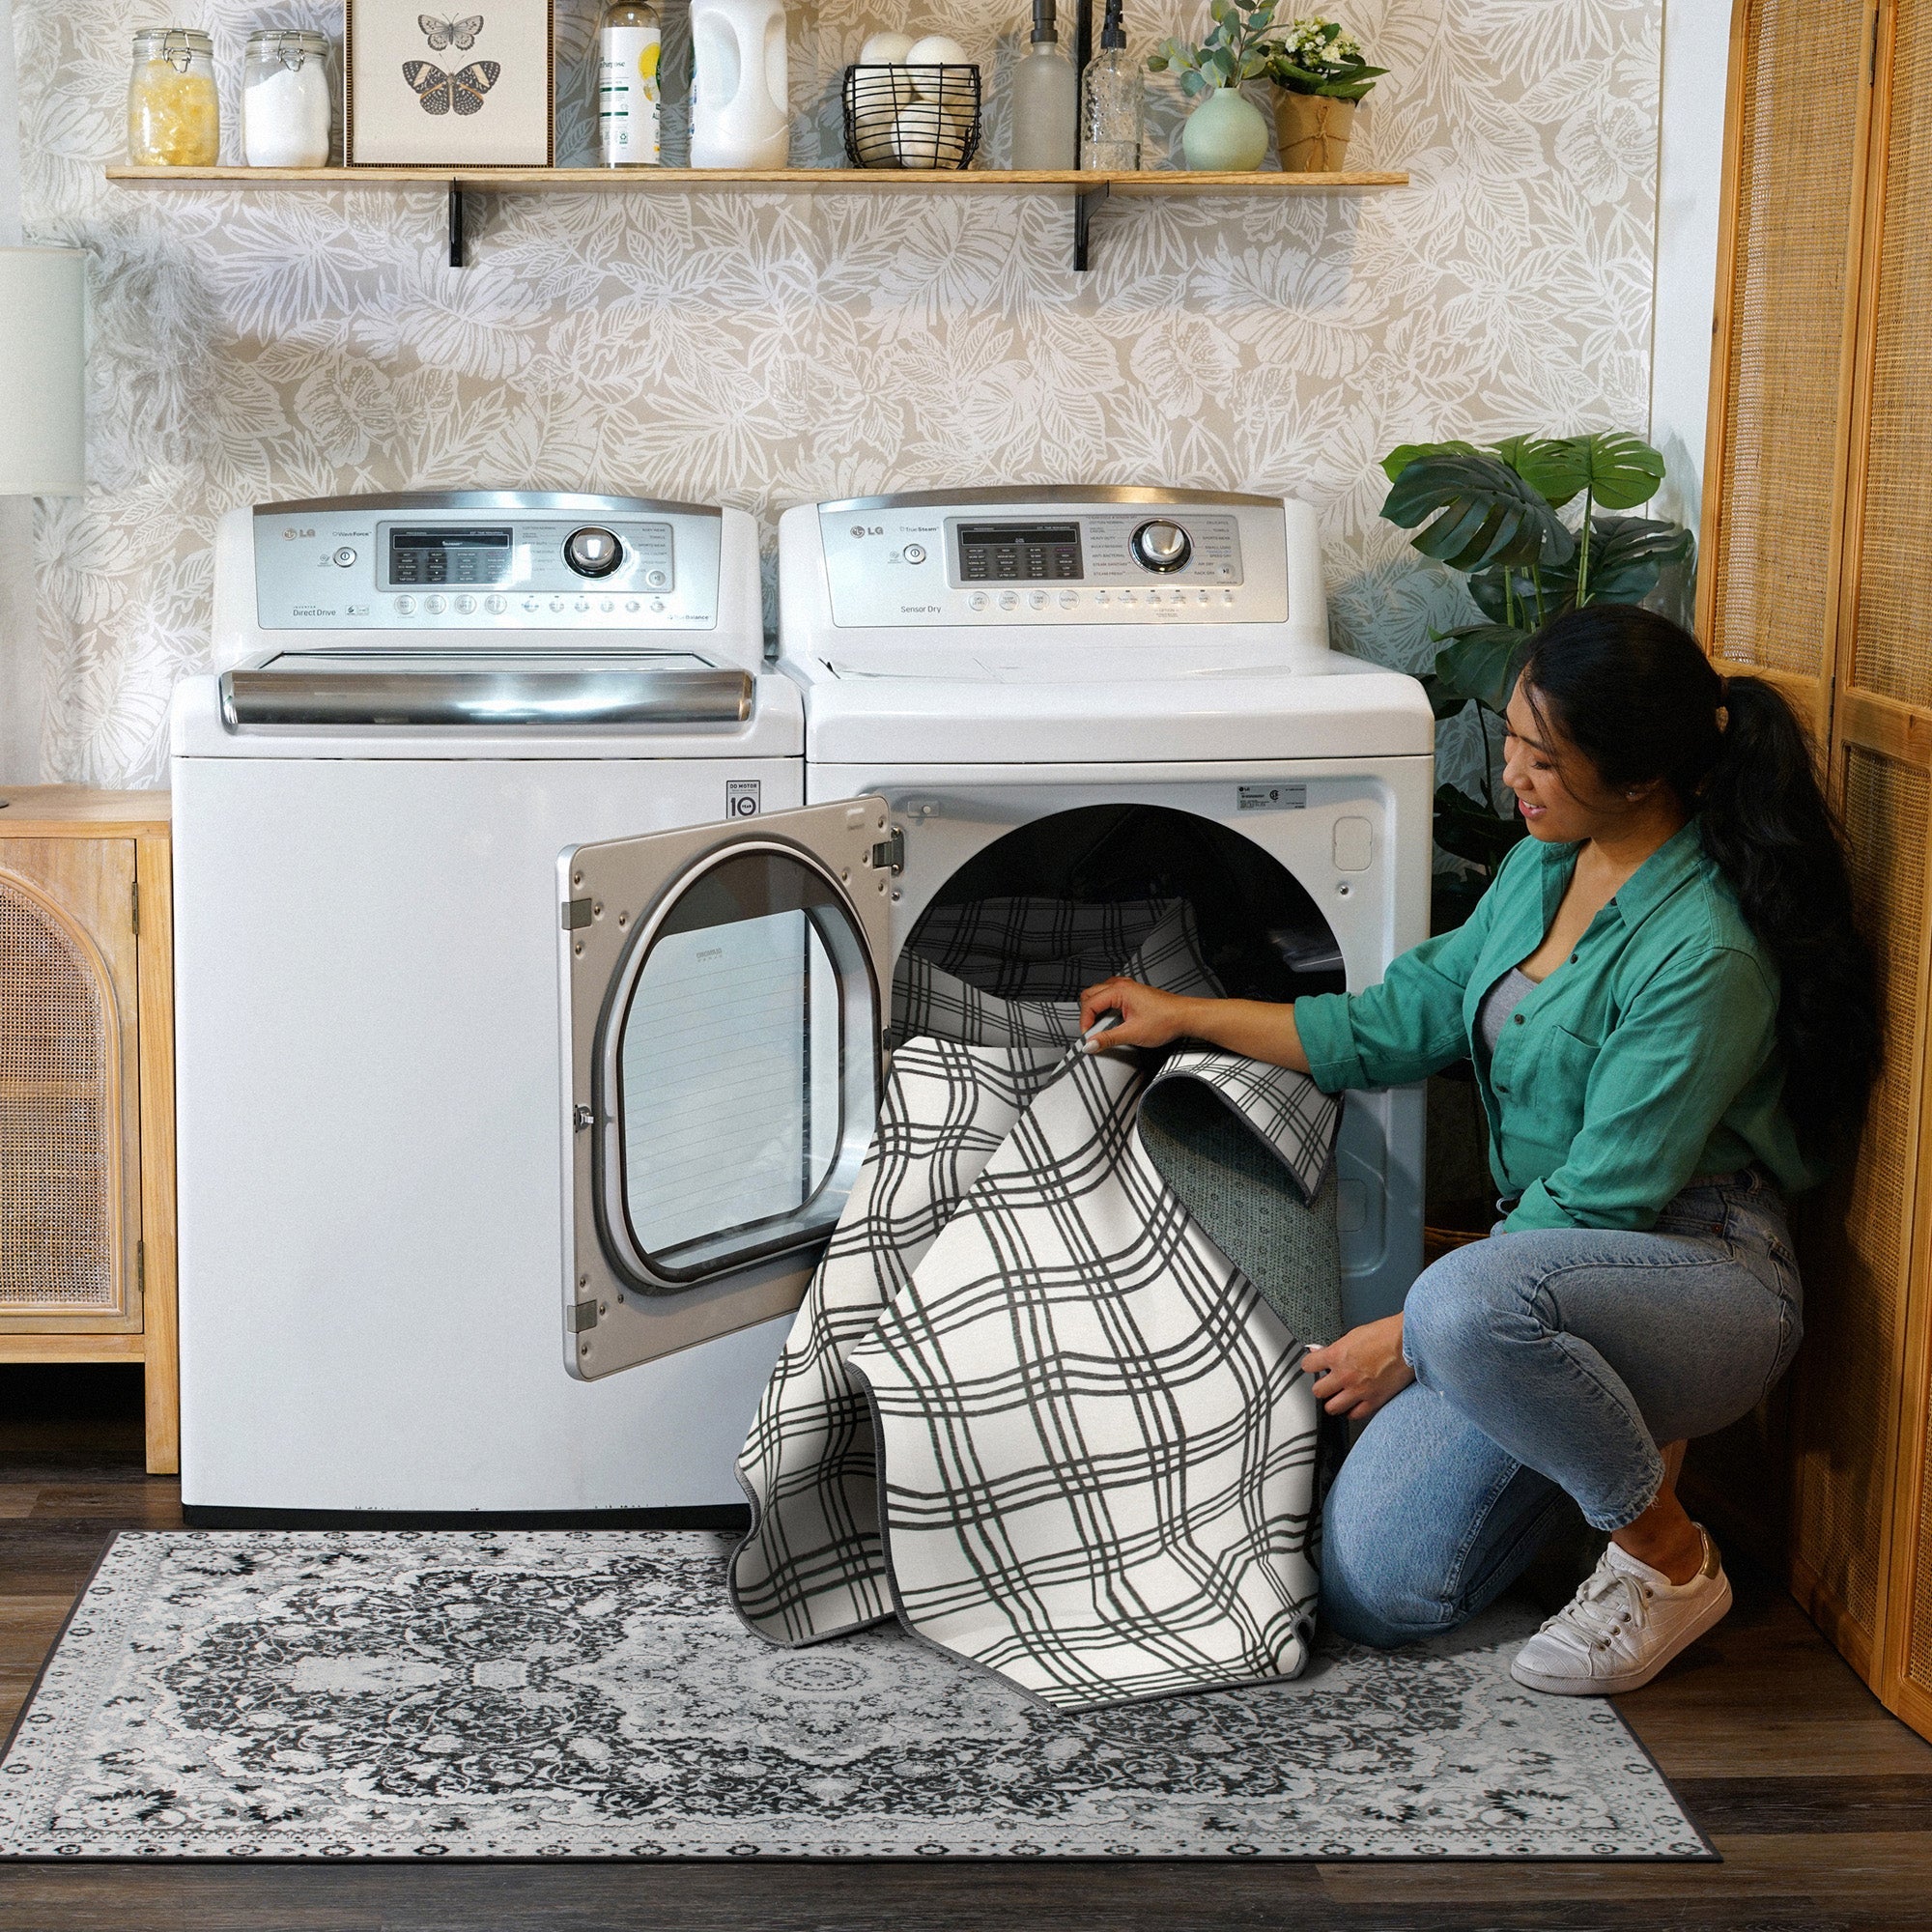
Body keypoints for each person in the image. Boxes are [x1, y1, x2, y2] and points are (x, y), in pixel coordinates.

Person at [1078, 605, 1879, 1695]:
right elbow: (1389, 1022)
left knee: (1458, 1305)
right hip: (1529, 1278)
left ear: (1640, 775)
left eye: (1540, 756)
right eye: (1509, 739)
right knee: (1373, 1589)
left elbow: (1608, 1195)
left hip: (1700, 1273)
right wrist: (1183, 1013)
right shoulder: (1540, 870)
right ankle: (1578, 1425)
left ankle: (1667, 1561)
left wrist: (1406, 1336)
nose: (1510, 772)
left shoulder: (1704, 950)